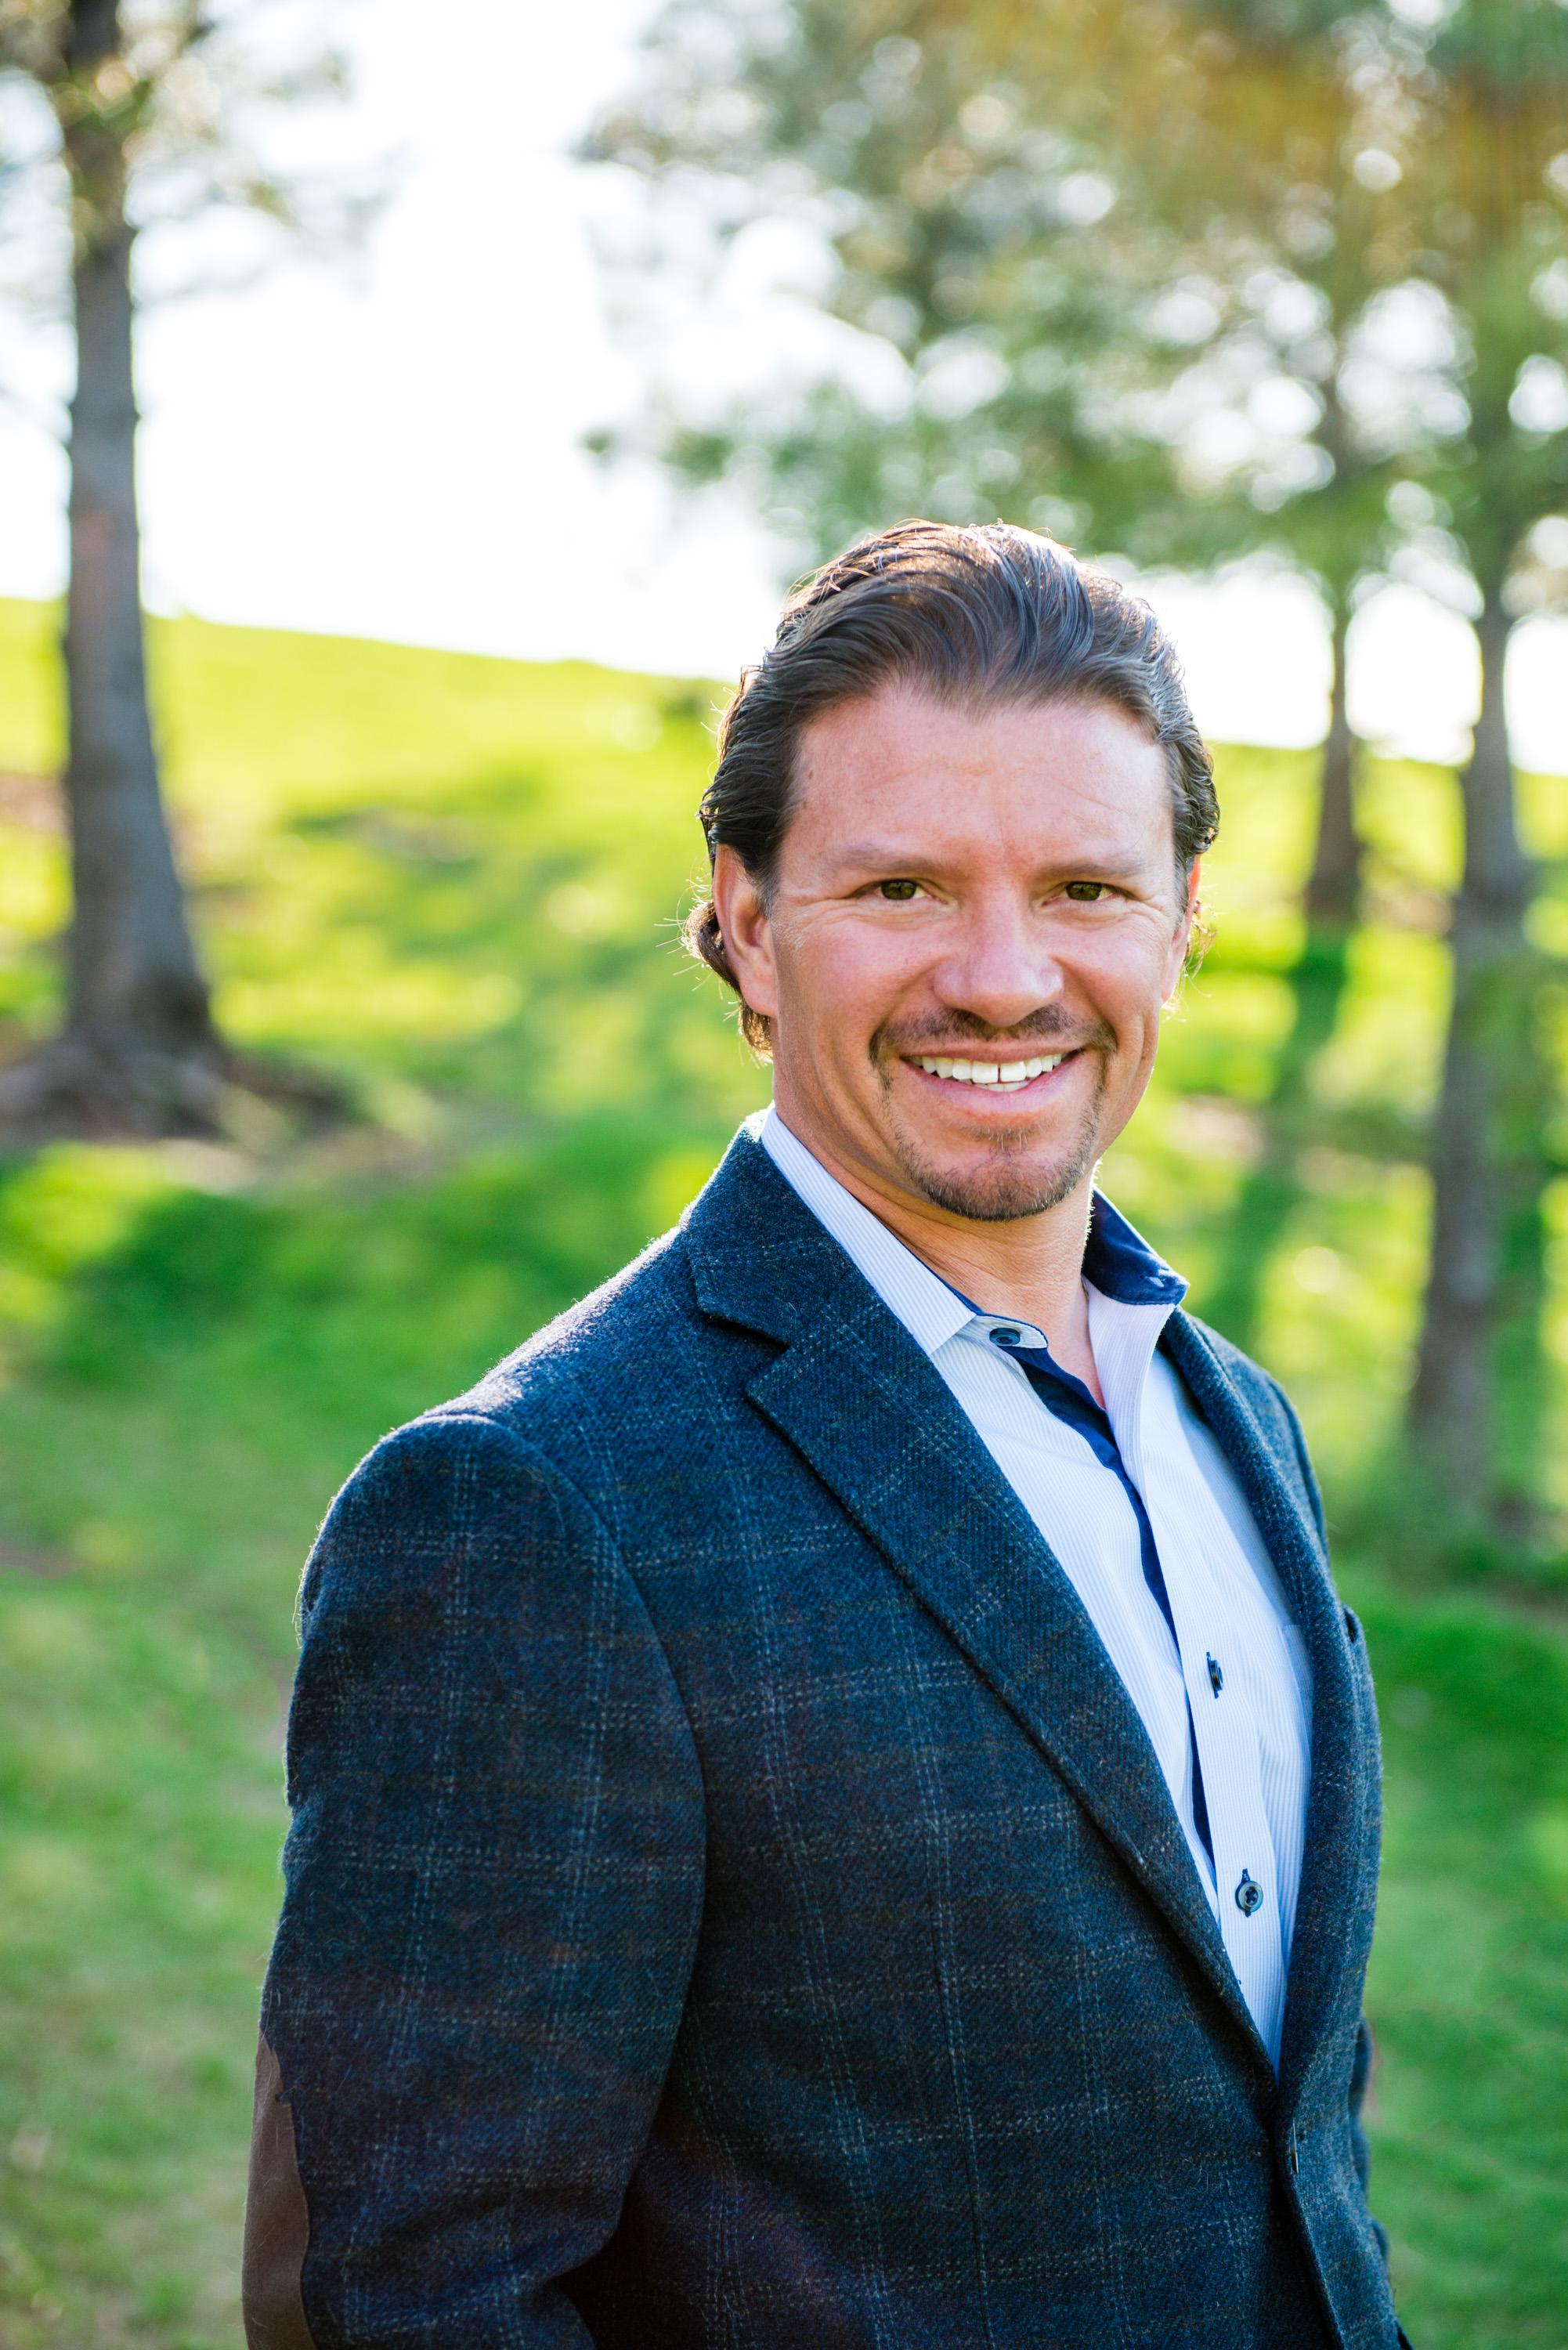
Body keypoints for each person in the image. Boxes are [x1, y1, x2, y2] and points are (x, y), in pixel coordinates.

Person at [244, 521, 1405, 2349]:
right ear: (745, 916)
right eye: (903, 890)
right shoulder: (531, 1509)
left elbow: (1282, 2148)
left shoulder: (1230, 1419)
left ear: (1183, 920)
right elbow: (416, 2290)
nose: (1005, 978)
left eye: (1087, 891)